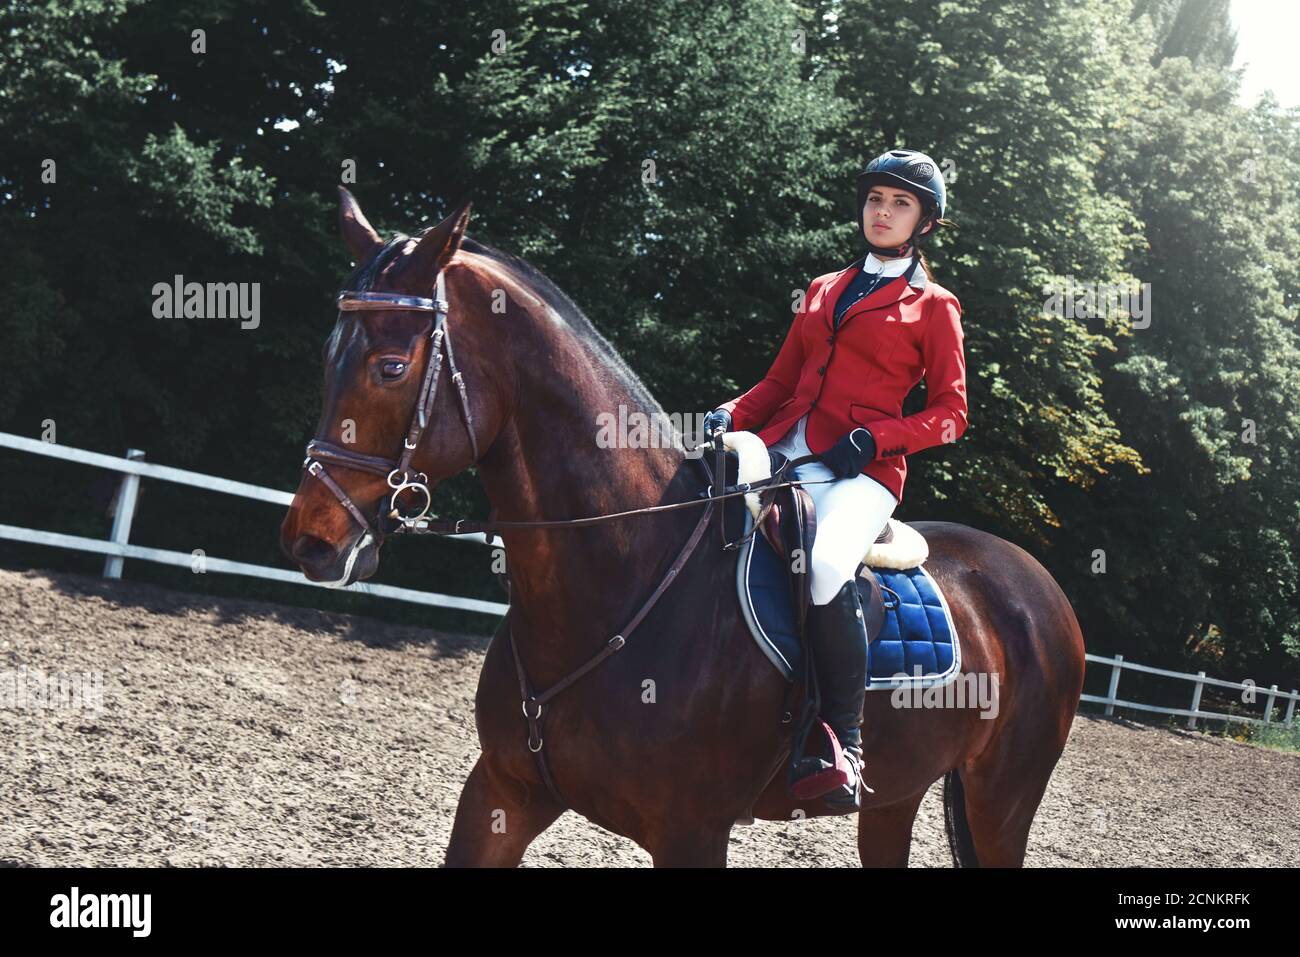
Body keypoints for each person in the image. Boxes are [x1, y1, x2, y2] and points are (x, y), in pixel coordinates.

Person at [702, 148, 968, 810]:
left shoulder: (934, 306)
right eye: (876, 199)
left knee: (822, 567)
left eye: (900, 204)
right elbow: (780, 382)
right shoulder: (822, 287)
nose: (883, 212)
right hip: (784, 449)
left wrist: (876, 438)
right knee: (697, 522)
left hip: (863, 471)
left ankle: (842, 742)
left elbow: (952, 415)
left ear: (924, 221)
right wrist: (730, 414)